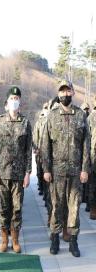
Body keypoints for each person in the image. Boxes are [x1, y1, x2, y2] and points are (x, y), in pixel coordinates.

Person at [42, 80, 90, 257]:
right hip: (57, 172)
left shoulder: (80, 115)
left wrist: (85, 169)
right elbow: (45, 145)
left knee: (75, 207)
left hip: (76, 172)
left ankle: (73, 241)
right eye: (62, 92)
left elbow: (86, 145)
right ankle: (54, 238)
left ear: (73, 92)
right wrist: (46, 169)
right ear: (58, 93)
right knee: (56, 206)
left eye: (68, 91)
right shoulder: (52, 116)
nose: (65, 94)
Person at [0, 87, 32, 253]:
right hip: (3, 173)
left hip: (18, 174)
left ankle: (15, 239)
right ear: (6, 103)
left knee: (17, 208)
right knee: (3, 208)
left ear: (19, 102)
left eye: (17, 98)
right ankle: (4, 239)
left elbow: (28, 149)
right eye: (12, 98)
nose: (14, 101)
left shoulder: (25, 122)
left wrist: (28, 173)